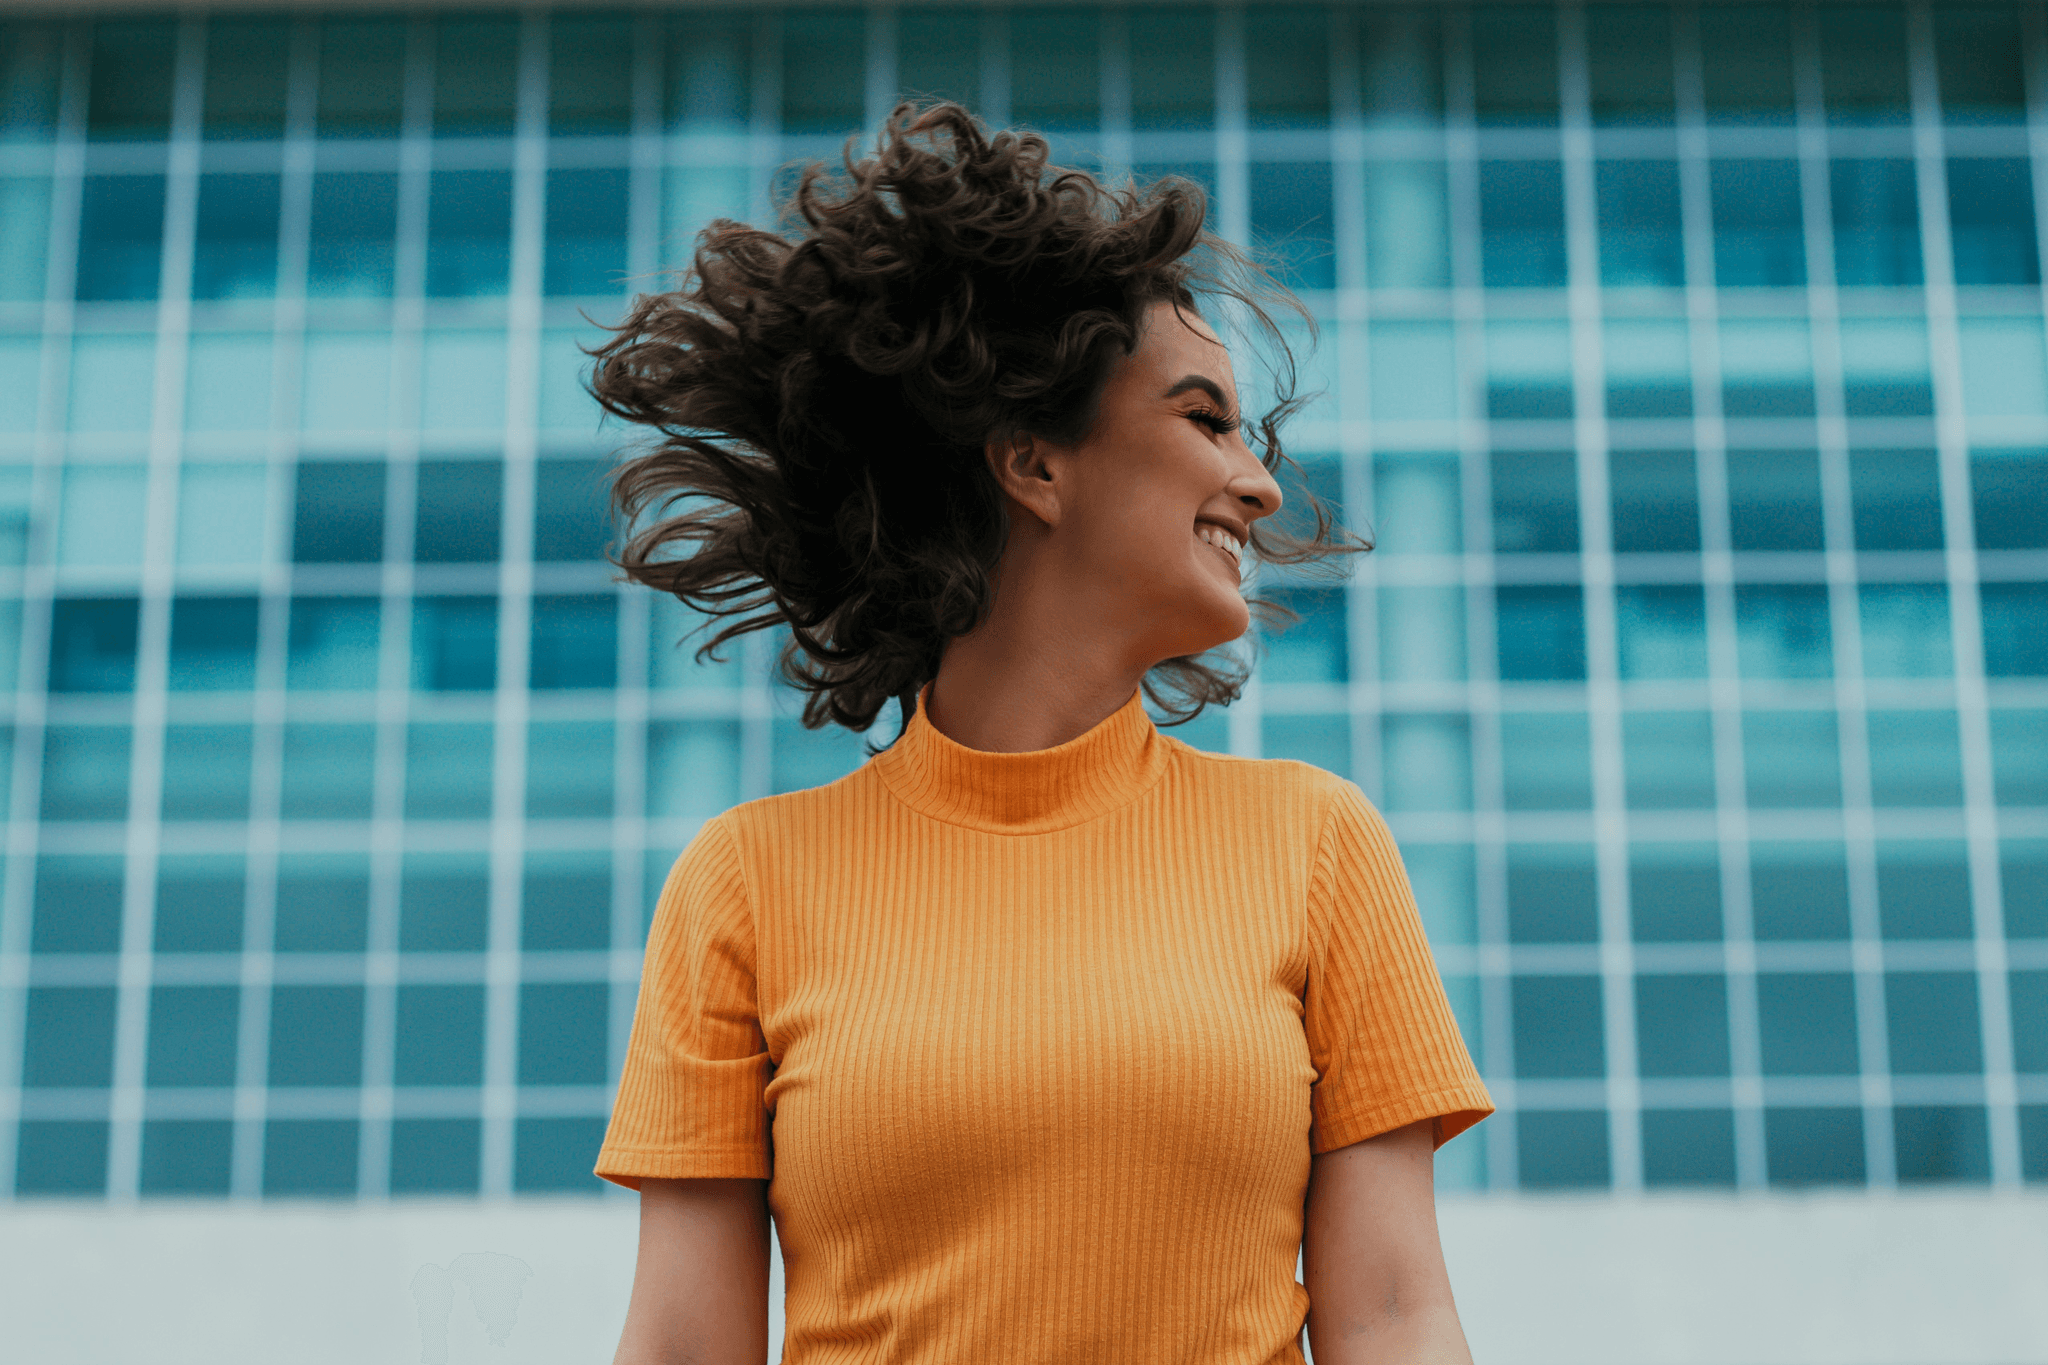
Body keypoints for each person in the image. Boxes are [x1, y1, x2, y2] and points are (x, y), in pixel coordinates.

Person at [587, 101, 1494, 1365]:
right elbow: (686, 1348)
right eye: (1203, 418)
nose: (1260, 481)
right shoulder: (743, 886)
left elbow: (1395, 1317)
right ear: (1034, 464)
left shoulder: (1317, 845)